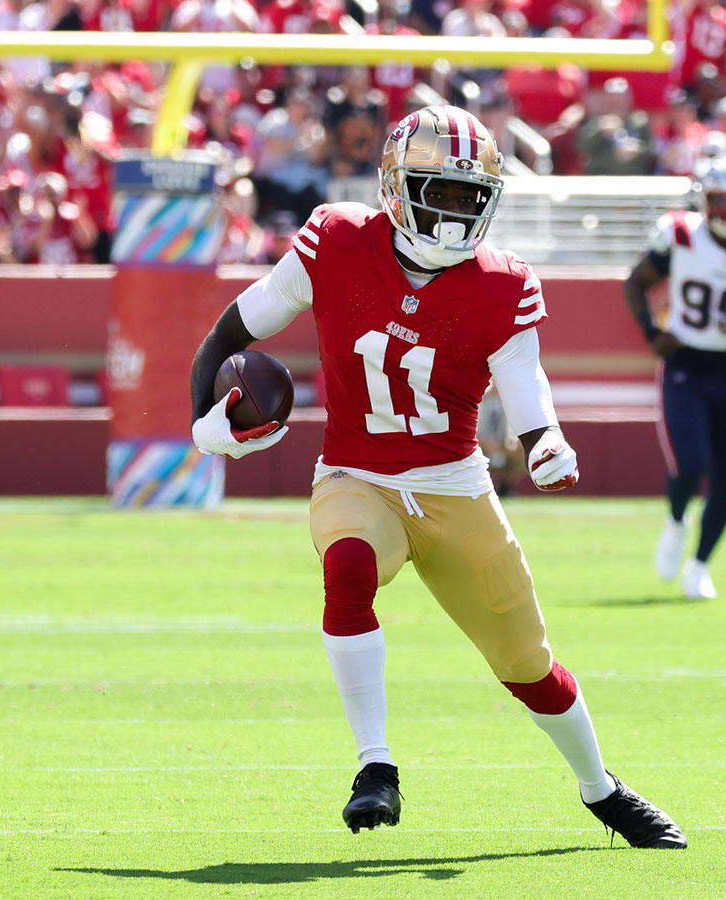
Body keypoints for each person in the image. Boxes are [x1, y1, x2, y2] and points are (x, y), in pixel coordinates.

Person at [188, 105, 685, 848]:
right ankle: (375, 768)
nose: (452, 212)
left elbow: (526, 384)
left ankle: (601, 789)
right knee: (348, 566)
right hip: (357, 474)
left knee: (528, 664)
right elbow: (231, 333)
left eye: (468, 196)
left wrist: (545, 443)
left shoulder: (502, 284)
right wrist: (206, 419)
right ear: (395, 184)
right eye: (438, 192)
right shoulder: (335, 241)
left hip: (455, 485)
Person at [622, 155, 726, 600]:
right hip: (685, 366)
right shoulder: (681, 236)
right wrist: (651, 332)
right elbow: (635, 282)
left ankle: (700, 566)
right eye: (723, 200)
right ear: (705, 200)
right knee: (689, 464)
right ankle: (677, 520)